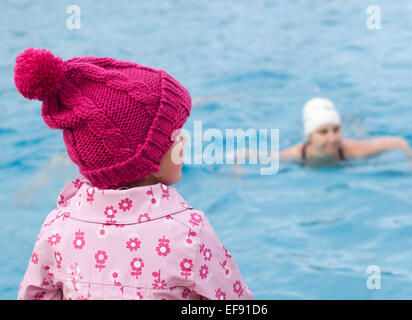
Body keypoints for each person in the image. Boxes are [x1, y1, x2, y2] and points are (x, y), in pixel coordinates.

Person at [14, 48, 253, 300]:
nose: (183, 138)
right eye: (173, 134)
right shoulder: (189, 233)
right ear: (143, 159)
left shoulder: (56, 229)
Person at [279, 98, 412, 164]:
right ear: (309, 136)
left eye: (336, 130)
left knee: (361, 133)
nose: (332, 138)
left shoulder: (355, 150)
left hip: (354, 142)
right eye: (323, 132)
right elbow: (260, 156)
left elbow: (399, 143)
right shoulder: (297, 154)